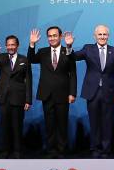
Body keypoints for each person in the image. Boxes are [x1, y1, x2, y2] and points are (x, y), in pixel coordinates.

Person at [65, 25, 114, 158]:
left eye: (105, 34)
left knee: (108, 121)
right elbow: (72, 57)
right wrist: (69, 46)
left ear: (108, 36)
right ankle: (95, 147)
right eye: (100, 34)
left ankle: (106, 149)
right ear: (94, 36)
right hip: (92, 92)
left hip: (109, 91)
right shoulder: (88, 49)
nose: (102, 37)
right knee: (94, 121)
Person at [28, 26, 77, 158]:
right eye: (49, 36)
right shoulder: (42, 51)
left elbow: (73, 73)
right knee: (49, 123)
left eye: (55, 35)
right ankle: (50, 148)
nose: (52, 38)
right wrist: (32, 44)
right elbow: (31, 59)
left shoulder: (67, 51)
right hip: (47, 93)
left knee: (62, 123)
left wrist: (72, 93)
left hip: (63, 93)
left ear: (60, 37)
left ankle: (62, 148)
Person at [0, 35, 32, 159]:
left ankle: (17, 151)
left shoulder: (24, 59)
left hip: (19, 97)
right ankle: (4, 150)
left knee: (17, 126)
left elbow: (28, 80)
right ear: (6, 46)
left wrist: (28, 100)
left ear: (17, 46)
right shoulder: (0, 57)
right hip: (3, 97)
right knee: (4, 125)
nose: (10, 47)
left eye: (13, 45)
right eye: (8, 45)